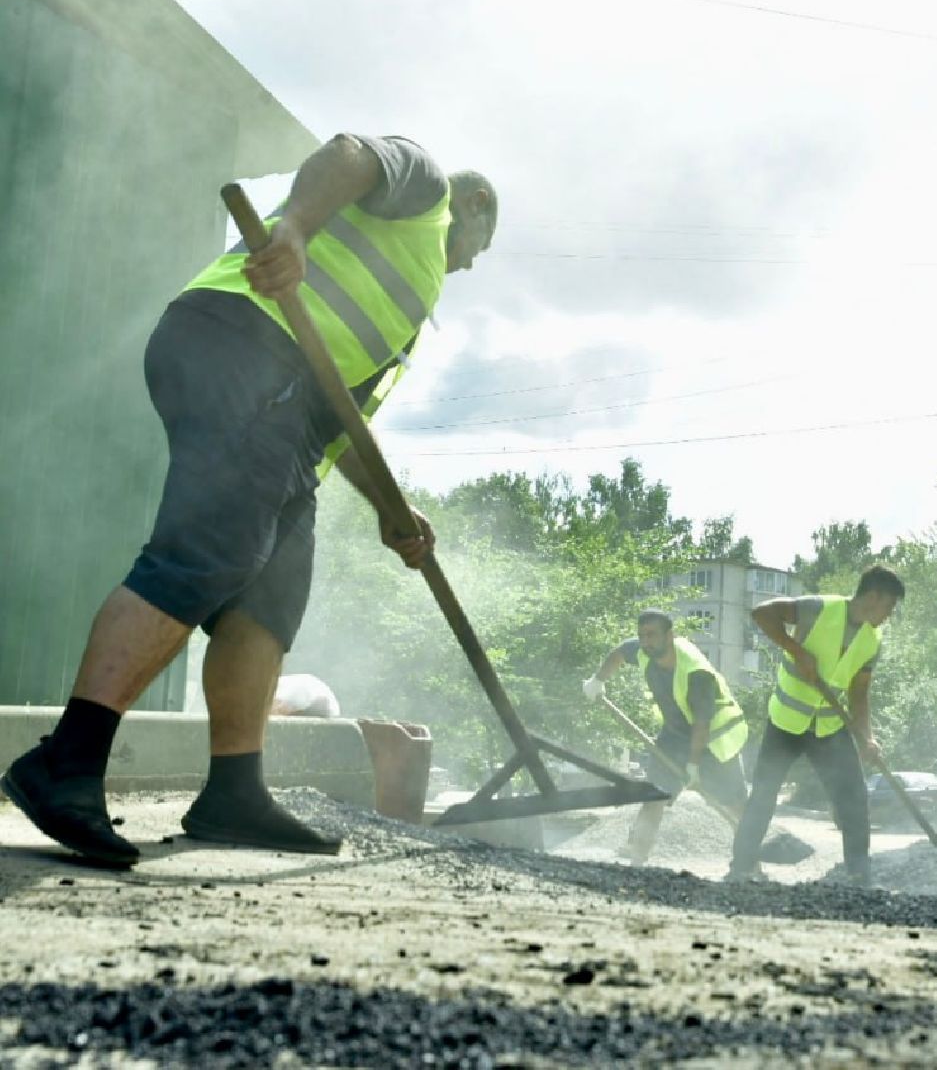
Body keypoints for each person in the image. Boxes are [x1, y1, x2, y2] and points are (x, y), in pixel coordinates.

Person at [1, 134, 497, 866]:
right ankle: (65, 761)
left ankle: (233, 793)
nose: (473, 263)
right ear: (477, 206)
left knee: (269, 600)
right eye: (480, 248)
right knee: (208, 552)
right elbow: (351, 153)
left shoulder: (405, 304)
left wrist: (392, 508)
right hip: (247, 343)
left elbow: (342, 418)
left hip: (293, 416)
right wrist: (292, 230)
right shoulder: (426, 186)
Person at [728, 564, 904, 886]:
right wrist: (797, 650)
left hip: (828, 728)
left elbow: (859, 693)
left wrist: (868, 738)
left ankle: (858, 874)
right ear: (874, 596)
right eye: (890, 606)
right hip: (786, 722)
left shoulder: (872, 641)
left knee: (853, 798)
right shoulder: (818, 608)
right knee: (763, 796)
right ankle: (740, 868)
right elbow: (761, 613)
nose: (890, 614)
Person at [583, 610, 750, 864]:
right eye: (641, 636)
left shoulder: (696, 672)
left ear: (669, 636)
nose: (645, 641)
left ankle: (749, 861)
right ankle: (637, 857)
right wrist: (597, 680)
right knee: (654, 795)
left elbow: (701, 724)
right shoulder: (642, 650)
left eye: (651, 635)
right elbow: (618, 653)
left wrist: (693, 765)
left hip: (712, 742)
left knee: (735, 804)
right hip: (674, 737)